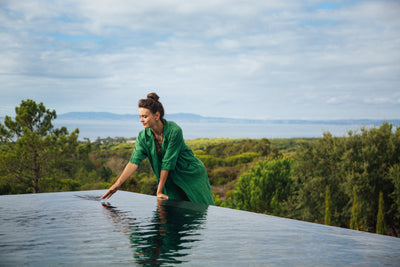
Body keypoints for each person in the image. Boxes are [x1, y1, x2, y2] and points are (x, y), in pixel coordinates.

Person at [101, 93, 214, 205]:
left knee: (198, 210)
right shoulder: (143, 136)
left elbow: (167, 162)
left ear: (157, 115)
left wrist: (159, 191)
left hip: (190, 174)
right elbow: (134, 162)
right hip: (169, 178)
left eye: (145, 116)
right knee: (172, 213)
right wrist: (117, 184)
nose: (141, 120)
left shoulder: (174, 130)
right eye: (140, 117)